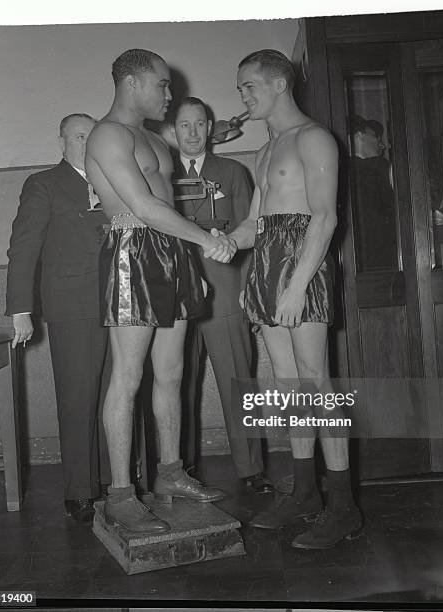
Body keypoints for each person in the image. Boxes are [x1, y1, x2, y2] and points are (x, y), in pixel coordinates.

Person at [85, 49, 236, 535]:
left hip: (173, 254)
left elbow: (165, 205)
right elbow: (145, 207)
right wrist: (208, 239)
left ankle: (170, 473)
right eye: (162, 85)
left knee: (171, 372)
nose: (169, 95)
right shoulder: (107, 133)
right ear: (133, 83)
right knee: (128, 377)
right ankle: (122, 493)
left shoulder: (153, 137)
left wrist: (193, 244)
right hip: (133, 250)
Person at [228, 49, 362, 549]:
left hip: (304, 265)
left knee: (316, 380)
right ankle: (305, 492)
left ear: (279, 83)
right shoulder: (266, 149)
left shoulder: (314, 138)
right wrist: (221, 242)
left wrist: (298, 284)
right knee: (287, 384)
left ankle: (344, 507)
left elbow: (324, 218)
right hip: (268, 263)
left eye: (248, 86)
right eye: (241, 88)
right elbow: (254, 225)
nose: (242, 96)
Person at [6, 114, 111, 524]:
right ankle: (79, 491)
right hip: (72, 307)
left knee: (112, 396)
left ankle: (110, 480)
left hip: (119, 304)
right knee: (77, 399)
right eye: (80, 135)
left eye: (92, 135)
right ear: (63, 140)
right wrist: (20, 309)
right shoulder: (43, 184)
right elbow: (23, 248)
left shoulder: (115, 182)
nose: (87, 142)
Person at [172, 97, 273, 493]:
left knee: (238, 380)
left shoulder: (232, 172)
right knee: (177, 382)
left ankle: (251, 468)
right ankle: (180, 467)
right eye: (184, 125)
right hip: (177, 292)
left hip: (226, 291)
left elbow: (253, 235)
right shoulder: (159, 175)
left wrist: (250, 290)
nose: (193, 133)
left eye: (200, 124)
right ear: (173, 131)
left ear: (210, 127)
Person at [351, 115, 398, 271]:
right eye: (376, 137)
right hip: (384, 255)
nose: (381, 144)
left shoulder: (338, 168)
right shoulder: (383, 167)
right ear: (359, 136)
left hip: (356, 258)